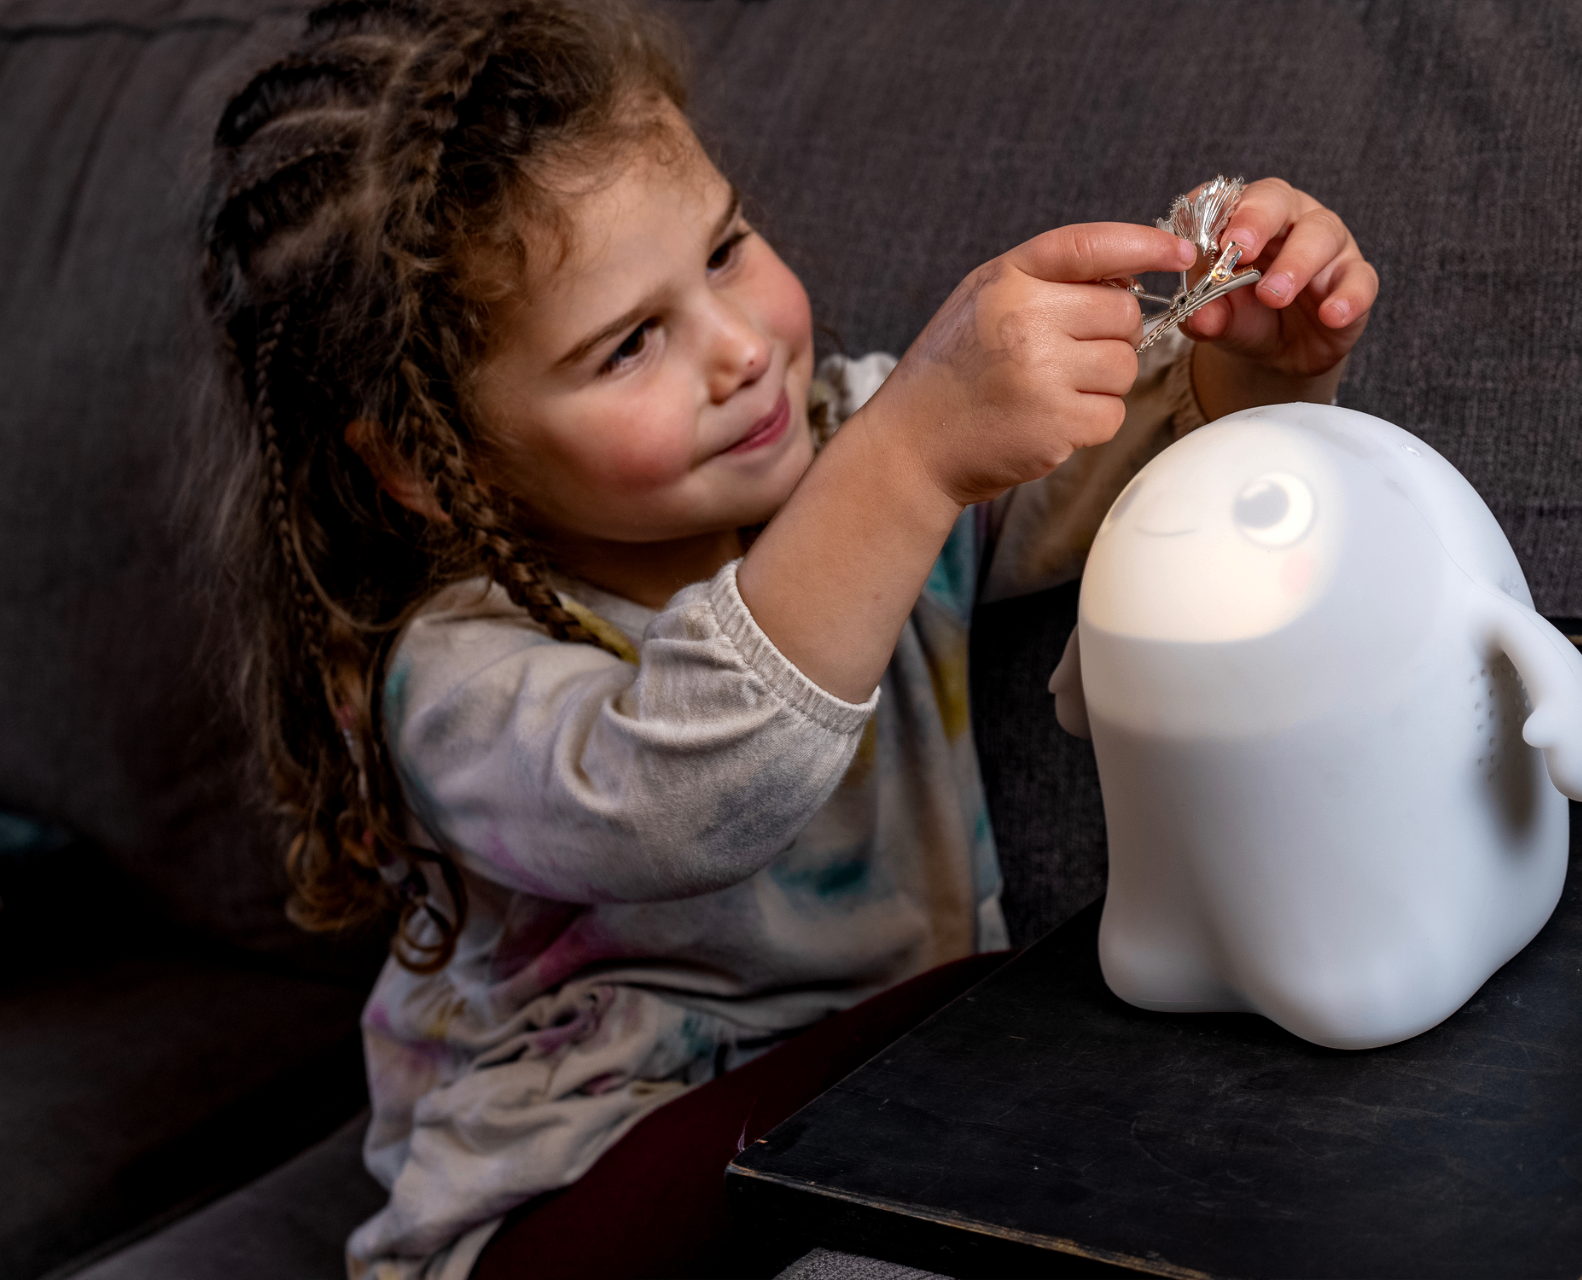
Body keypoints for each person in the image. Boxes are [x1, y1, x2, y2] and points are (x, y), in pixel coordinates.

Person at [197, 0, 1378, 1276]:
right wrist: (914, 454)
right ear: (429, 465)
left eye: (727, 247)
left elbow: (1139, 490)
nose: (745, 348)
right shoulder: (457, 673)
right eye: (630, 343)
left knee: (975, 1088)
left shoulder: (850, 436)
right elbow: (682, 795)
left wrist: (1251, 369)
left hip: (864, 1143)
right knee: (986, 1032)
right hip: (565, 1215)